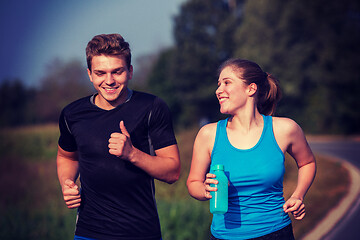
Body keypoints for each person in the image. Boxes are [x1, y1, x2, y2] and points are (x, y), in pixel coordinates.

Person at [56, 33, 181, 240]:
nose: (109, 80)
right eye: (100, 73)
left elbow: (173, 172)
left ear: (130, 71)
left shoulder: (152, 108)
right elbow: (67, 157)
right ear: (89, 74)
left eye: (117, 71)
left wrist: (132, 154)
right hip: (88, 233)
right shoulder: (72, 114)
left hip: (140, 233)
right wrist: (67, 182)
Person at [187, 59, 316, 240]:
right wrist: (204, 190)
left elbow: (307, 163)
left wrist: (298, 195)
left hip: (275, 232)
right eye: (218, 84)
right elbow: (193, 182)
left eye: (227, 82)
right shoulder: (208, 134)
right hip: (223, 236)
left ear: (251, 89)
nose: (218, 90)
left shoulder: (285, 129)